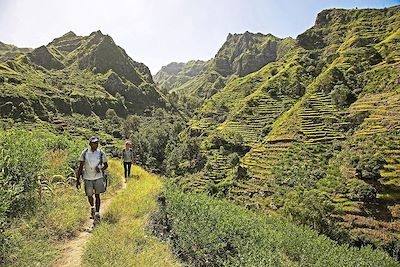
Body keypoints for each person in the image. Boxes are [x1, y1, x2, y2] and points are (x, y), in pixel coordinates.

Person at [76, 136, 108, 223]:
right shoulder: (85, 153)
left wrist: (101, 169)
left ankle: (97, 213)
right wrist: (77, 179)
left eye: (97, 143)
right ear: (90, 144)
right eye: (94, 143)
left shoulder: (101, 153)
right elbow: (80, 167)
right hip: (87, 177)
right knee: (89, 195)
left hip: (98, 177)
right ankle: (92, 207)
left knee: (97, 195)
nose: (96, 144)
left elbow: (106, 165)